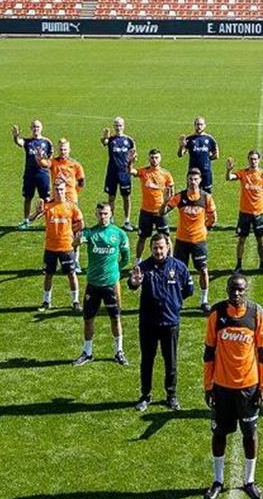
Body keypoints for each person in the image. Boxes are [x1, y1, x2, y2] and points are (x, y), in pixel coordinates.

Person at [203, 274, 263, 499]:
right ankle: (218, 481)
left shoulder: (256, 314)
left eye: (240, 289)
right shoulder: (217, 313)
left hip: (248, 388)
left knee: (250, 435)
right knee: (219, 433)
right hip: (221, 387)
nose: (237, 293)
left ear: (246, 290)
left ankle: (249, 481)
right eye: (233, 289)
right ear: (227, 290)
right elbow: (209, 352)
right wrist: (207, 386)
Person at [129, 233, 192, 411]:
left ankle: (171, 395)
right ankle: (145, 395)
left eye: (161, 247)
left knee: (170, 361)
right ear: (151, 249)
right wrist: (134, 283)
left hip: (170, 322)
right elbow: (133, 283)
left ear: (168, 247)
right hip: (148, 323)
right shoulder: (143, 267)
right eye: (155, 248)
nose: (158, 251)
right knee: (147, 361)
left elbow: (188, 290)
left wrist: (174, 303)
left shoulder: (179, 267)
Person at [74, 202, 132, 366]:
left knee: (115, 318)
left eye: (106, 213)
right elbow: (75, 243)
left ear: (111, 214)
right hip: (93, 284)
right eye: (100, 213)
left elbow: (126, 257)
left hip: (110, 285)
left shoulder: (119, 234)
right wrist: (77, 241)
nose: (103, 216)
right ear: (96, 215)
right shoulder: (90, 233)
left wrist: (116, 272)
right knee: (88, 319)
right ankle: (87, 352)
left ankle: (118, 351)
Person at [163, 168, 217, 313]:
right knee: (179, 271)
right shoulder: (180, 197)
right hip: (182, 240)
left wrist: (206, 228)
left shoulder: (206, 197)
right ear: (187, 180)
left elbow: (213, 217)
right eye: (190, 179)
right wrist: (165, 202)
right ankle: (178, 298)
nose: (193, 182)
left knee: (203, 270)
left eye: (196, 179)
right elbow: (162, 212)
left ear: (200, 181)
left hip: (199, 241)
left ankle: (204, 300)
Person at [27, 177, 84, 312]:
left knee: (71, 274)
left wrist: (73, 235)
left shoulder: (71, 206)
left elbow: (81, 223)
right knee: (48, 274)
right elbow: (30, 219)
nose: (59, 192)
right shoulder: (48, 206)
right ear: (53, 190)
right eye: (56, 189)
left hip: (66, 247)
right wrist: (36, 211)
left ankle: (75, 301)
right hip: (50, 247)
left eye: (61, 189)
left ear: (66, 190)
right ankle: (46, 301)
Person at [226, 151, 263, 273]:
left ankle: (262, 264)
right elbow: (229, 178)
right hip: (244, 213)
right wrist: (229, 170)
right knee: (241, 239)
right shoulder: (243, 173)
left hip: (258, 213)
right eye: (251, 159)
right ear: (248, 160)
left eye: (255, 159)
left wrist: (261, 201)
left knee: (261, 240)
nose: (253, 161)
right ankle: (238, 265)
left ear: (259, 160)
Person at [130, 148, 175, 261]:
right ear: (149, 158)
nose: (154, 160)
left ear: (160, 159)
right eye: (152, 158)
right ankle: (138, 262)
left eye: (156, 158)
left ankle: (170, 261)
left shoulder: (165, 174)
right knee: (142, 237)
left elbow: (171, 192)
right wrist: (130, 161)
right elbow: (130, 171)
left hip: (160, 211)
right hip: (145, 211)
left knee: (166, 238)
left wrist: (166, 205)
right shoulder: (144, 171)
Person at [50, 138, 87, 272]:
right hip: (57, 202)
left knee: (75, 231)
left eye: (65, 149)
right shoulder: (53, 162)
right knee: (58, 231)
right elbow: (42, 164)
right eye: (61, 149)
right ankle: (58, 258)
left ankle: (75, 260)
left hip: (71, 202)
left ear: (69, 150)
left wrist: (74, 193)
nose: (63, 152)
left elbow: (82, 181)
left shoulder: (75, 165)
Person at [12, 120, 52, 228]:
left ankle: (48, 221)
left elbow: (50, 159)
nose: (36, 129)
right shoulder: (28, 141)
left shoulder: (47, 142)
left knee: (46, 199)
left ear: (41, 128)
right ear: (31, 128)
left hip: (43, 174)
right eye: (34, 127)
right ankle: (26, 220)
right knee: (28, 197)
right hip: (29, 174)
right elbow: (19, 142)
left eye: (38, 127)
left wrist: (45, 163)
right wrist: (16, 136)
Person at [101, 117, 137, 231]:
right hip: (112, 172)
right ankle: (110, 220)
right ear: (114, 126)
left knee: (126, 197)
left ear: (124, 126)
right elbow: (104, 142)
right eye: (116, 125)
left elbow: (135, 155)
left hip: (125, 173)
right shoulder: (111, 139)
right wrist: (105, 136)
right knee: (111, 197)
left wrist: (133, 159)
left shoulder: (129, 140)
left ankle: (127, 221)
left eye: (120, 125)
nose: (118, 128)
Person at [178, 116, 219, 194]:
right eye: (197, 124)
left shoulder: (210, 139)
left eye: (201, 124)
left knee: (207, 194)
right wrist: (181, 146)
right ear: (194, 125)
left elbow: (216, 155)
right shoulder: (189, 139)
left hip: (206, 172)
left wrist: (206, 159)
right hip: (192, 172)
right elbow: (180, 154)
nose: (199, 126)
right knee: (191, 193)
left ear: (205, 125)